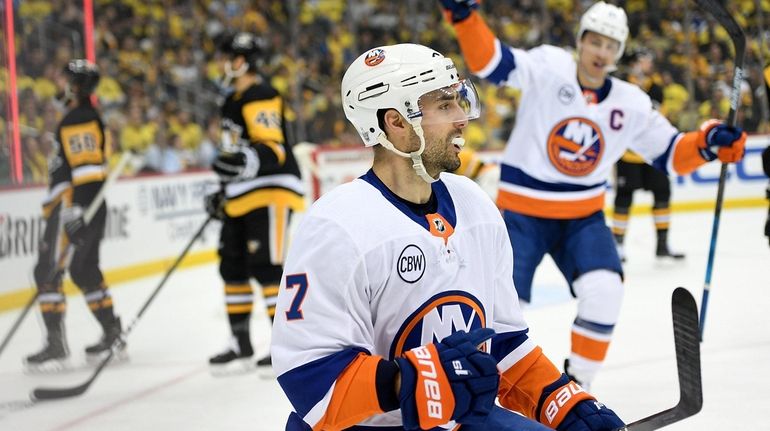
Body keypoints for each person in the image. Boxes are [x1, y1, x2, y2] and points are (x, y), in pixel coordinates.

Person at [272, 43, 624, 431]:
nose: (462, 118)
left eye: (459, 101)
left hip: (454, 421)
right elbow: (310, 381)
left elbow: (502, 344)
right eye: (444, 106)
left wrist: (564, 403)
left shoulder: (476, 205)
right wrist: (406, 381)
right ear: (396, 122)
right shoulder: (337, 226)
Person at [438, 0, 746, 388]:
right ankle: (490, 388)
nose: (601, 52)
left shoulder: (629, 102)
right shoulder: (549, 66)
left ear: (619, 52)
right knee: (502, 307)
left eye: (611, 45)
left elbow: (671, 153)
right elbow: (491, 62)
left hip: (582, 217)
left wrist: (708, 142)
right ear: (581, 41)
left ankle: (577, 385)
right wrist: (466, 19)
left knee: (605, 290)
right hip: (521, 216)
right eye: (595, 41)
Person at [204, 32, 304, 373]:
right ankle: (240, 342)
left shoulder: (261, 94)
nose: (220, 63)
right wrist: (224, 189)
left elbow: (272, 147)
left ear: (241, 61)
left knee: (266, 267)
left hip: (271, 191)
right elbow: (235, 157)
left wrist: (243, 163)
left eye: (226, 56)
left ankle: (284, 346)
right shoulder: (232, 98)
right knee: (232, 266)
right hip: (241, 196)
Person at [25, 59, 125, 371]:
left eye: (66, 79)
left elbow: (87, 170)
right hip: (84, 204)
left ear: (77, 86)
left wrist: (76, 211)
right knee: (83, 270)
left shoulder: (78, 118)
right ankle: (112, 332)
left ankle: (56, 344)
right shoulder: (81, 116)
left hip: (73, 204)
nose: (60, 83)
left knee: (47, 272)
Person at [612, 49, 683, 262]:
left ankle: (662, 244)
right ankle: (618, 245)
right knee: (624, 197)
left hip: (653, 151)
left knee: (662, 193)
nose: (649, 64)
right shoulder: (621, 86)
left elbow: (653, 115)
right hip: (627, 153)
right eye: (644, 60)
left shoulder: (657, 88)